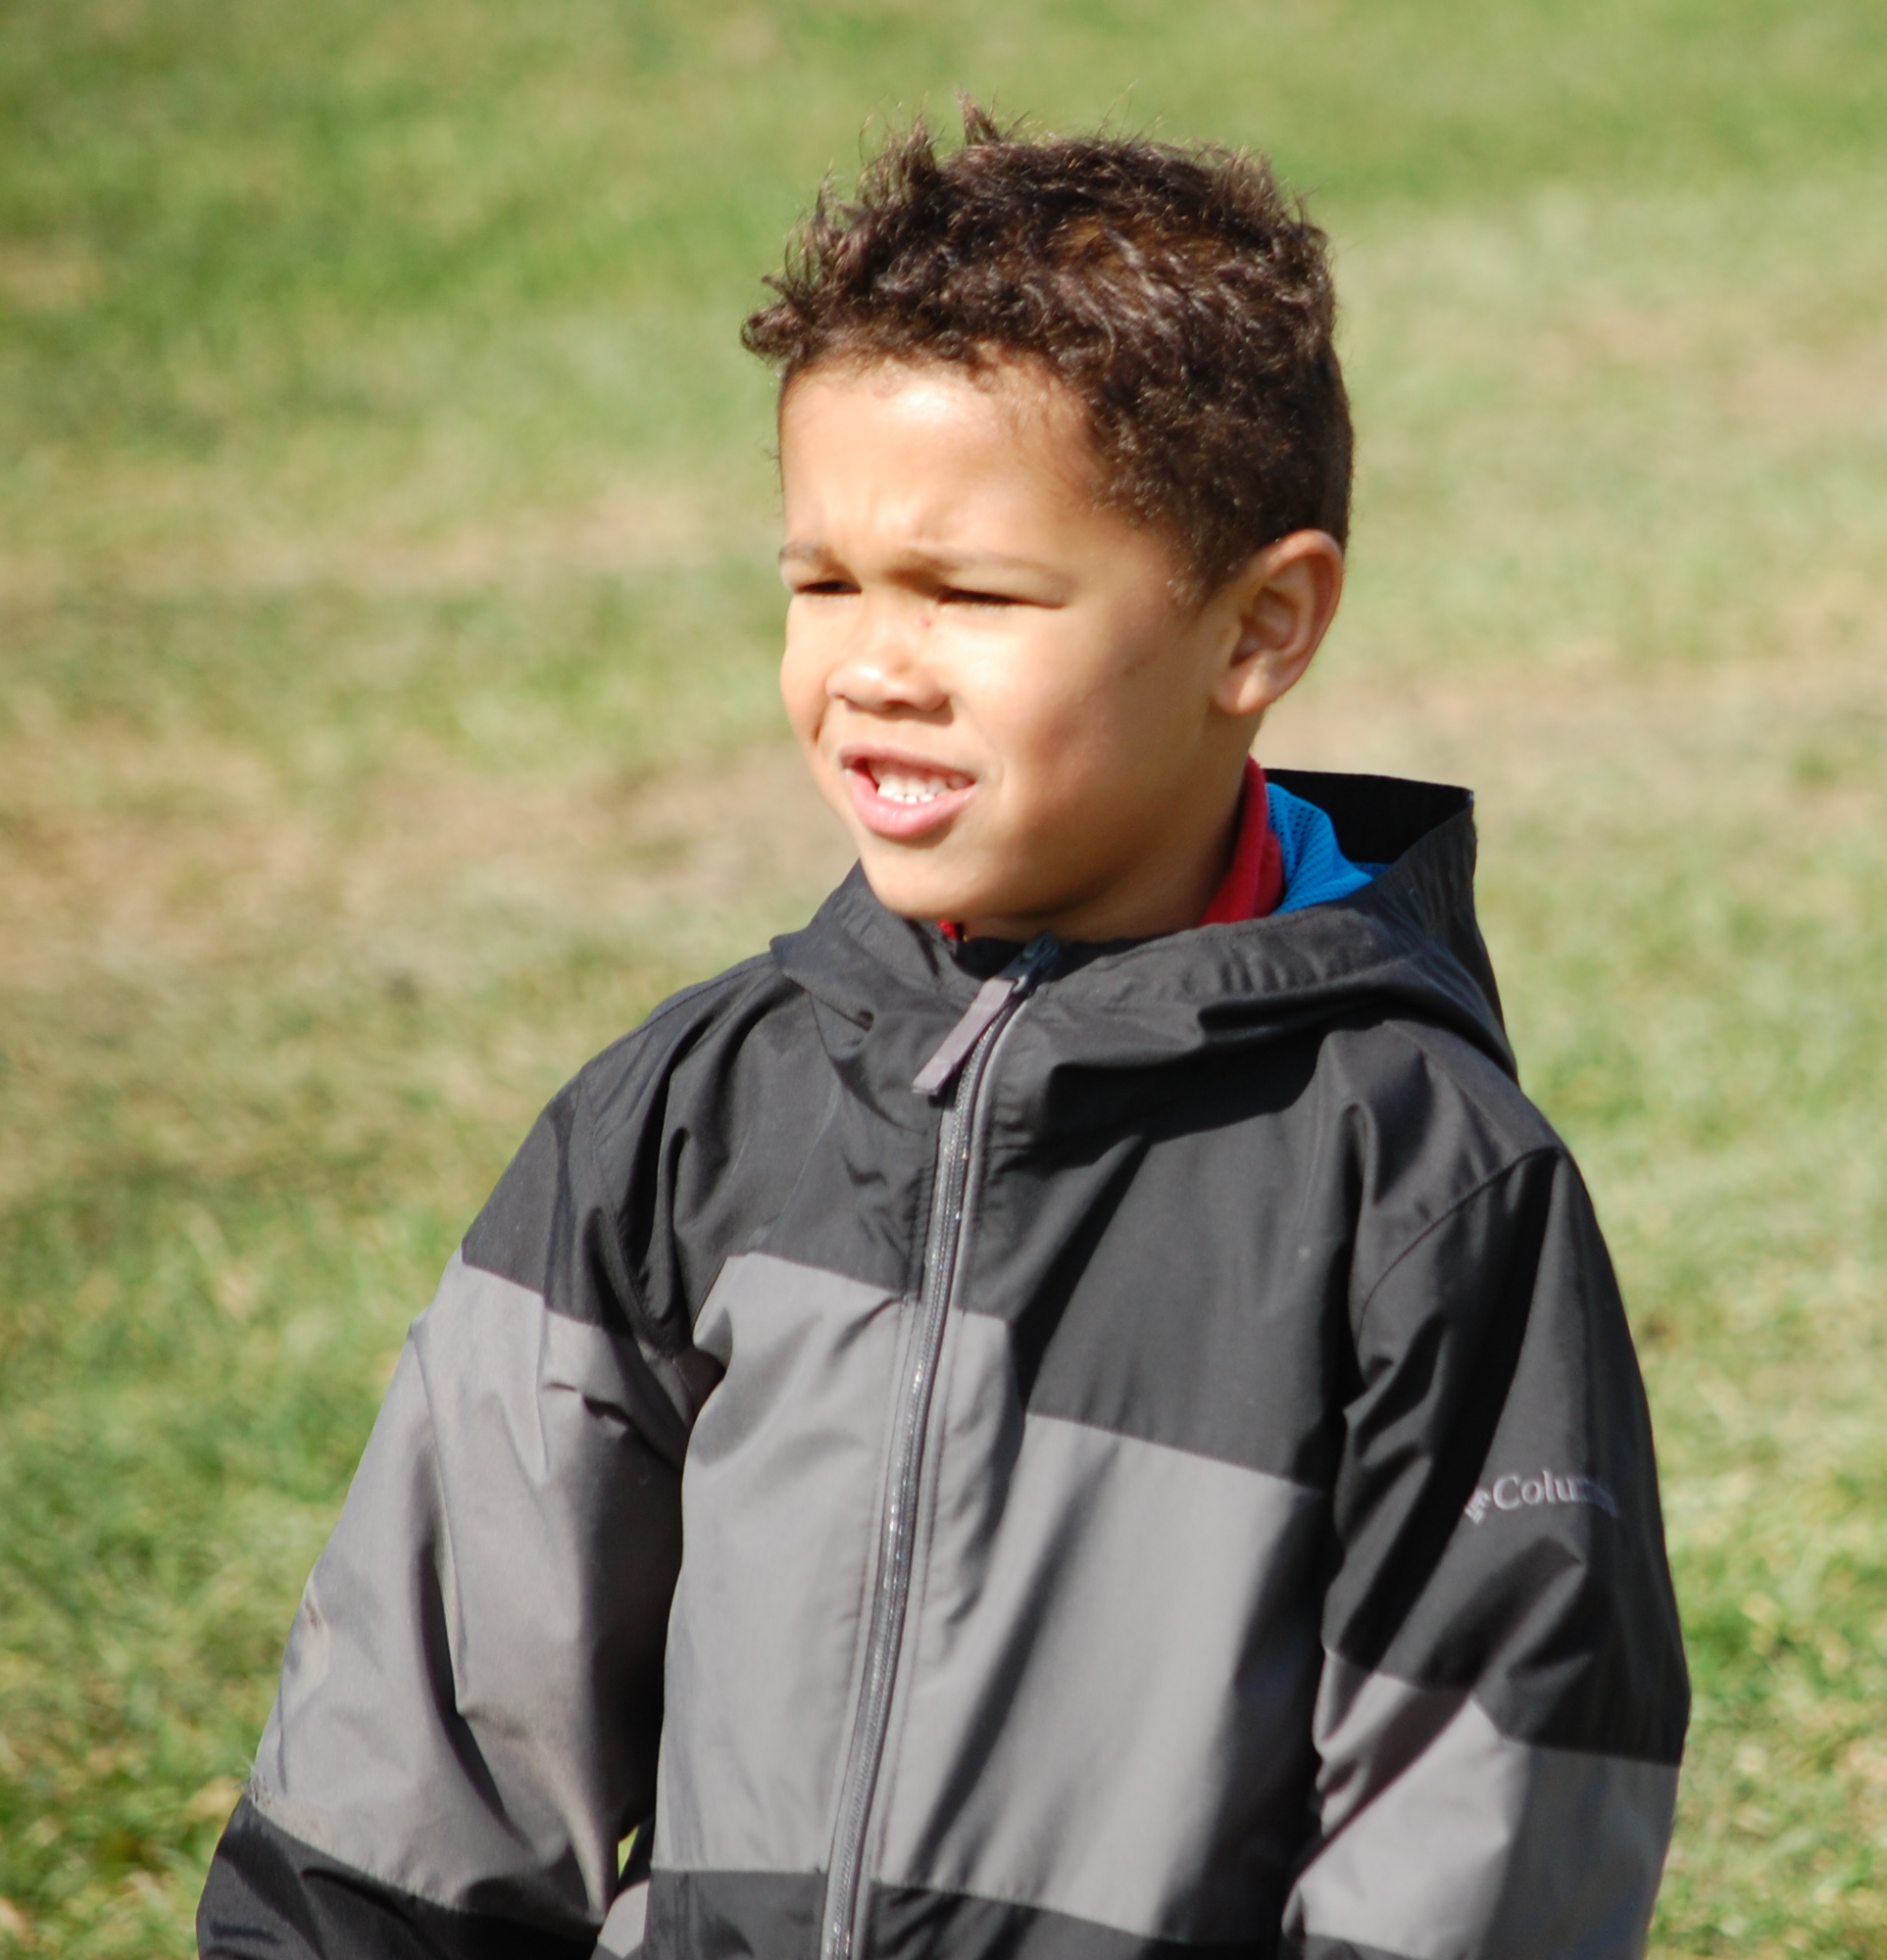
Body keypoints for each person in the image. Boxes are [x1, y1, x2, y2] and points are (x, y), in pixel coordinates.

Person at [196, 107, 1689, 1960]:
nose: (872, 669)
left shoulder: (1421, 1186)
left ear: (1261, 628)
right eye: (823, 581)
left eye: (973, 595)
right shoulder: (681, 1123)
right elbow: (411, 1790)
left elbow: (1487, 1836)